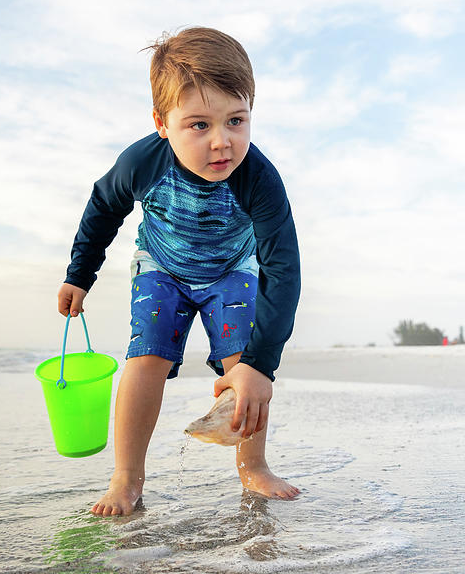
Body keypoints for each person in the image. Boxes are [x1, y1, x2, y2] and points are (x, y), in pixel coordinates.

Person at [57, 27, 301, 517]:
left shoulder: (260, 178)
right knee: (146, 359)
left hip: (232, 269)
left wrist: (262, 364)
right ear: (162, 123)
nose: (222, 142)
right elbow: (104, 206)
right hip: (161, 268)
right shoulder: (143, 161)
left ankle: (253, 465)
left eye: (236, 120)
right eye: (199, 125)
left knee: (242, 363)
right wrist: (80, 273)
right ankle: (127, 477)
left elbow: (283, 268)